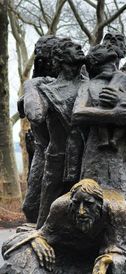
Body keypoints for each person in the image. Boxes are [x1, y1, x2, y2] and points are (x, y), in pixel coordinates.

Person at [72, 42, 126, 273]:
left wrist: (124, 106)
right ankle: (99, 259)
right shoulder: (90, 86)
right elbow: (78, 113)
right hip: (97, 158)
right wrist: (115, 114)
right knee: (93, 203)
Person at [1, 179, 126, 274]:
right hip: (64, 258)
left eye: (89, 204)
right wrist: (37, 239)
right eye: (76, 204)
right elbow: (43, 234)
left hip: (94, 257)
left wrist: (107, 260)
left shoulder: (117, 210)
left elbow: (119, 249)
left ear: (100, 204)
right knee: (21, 260)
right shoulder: (60, 207)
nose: (81, 211)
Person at [35, 38, 86, 228]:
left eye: (78, 45)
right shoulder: (49, 90)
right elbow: (35, 119)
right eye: (72, 47)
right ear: (60, 57)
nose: (80, 47)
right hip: (57, 158)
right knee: (47, 215)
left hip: (85, 156)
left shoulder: (91, 85)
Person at [20, 35, 60, 223]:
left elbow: (35, 114)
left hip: (63, 152)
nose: (44, 61)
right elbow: (31, 113)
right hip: (42, 151)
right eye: (40, 56)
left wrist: (30, 88)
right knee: (31, 207)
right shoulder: (37, 83)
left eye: (48, 56)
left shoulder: (71, 80)